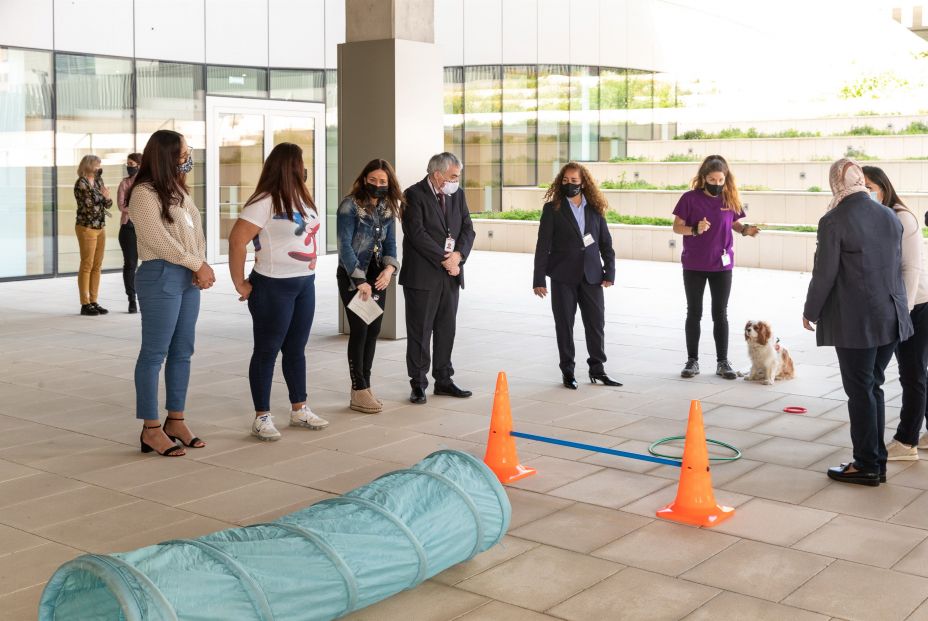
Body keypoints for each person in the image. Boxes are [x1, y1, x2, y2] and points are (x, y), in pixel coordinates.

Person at [803, 158, 913, 486]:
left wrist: (811, 310)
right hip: (890, 316)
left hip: (857, 321)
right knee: (872, 385)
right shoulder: (890, 216)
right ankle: (875, 462)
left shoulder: (834, 220)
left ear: (836, 182)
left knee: (861, 390)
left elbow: (825, 274)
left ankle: (866, 464)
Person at [229, 143, 328, 441]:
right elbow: (237, 240)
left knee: (296, 349)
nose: (304, 169)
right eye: (301, 163)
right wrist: (240, 283)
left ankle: (299, 408)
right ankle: (262, 416)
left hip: (303, 284)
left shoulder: (302, 199)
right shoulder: (264, 201)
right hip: (273, 286)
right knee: (267, 350)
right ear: (289, 166)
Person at [127, 130, 213, 457]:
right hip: (160, 273)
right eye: (184, 152)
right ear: (166, 155)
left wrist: (199, 264)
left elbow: (197, 231)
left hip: (186, 275)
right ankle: (150, 428)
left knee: (183, 350)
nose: (188, 157)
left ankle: (175, 420)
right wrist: (196, 263)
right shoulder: (144, 193)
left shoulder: (177, 190)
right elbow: (158, 239)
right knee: (154, 353)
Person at [532, 162, 621, 389]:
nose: (569, 184)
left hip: (592, 276)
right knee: (565, 325)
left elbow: (605, 243)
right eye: (565, 181)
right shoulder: (552, 209)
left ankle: (597, 370)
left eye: (574, 181)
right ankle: (568, 372)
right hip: (563, 276)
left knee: (596, 324)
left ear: (583, 183)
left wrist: (609, 271)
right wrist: (538, 279)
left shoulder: (595, 208)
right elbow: (542, 246)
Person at [672, 155, 759, 379]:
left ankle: (723, 362)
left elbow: (734, 223)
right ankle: (692, 361)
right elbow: (677, 227)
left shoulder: (730, 199)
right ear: (703, 178)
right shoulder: (689, 199)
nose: (717, 184)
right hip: (694, 264)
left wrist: (745, 230)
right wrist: (695, 229)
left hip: (722, 266)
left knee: (720, 313)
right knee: (694, 312)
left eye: (721, 180)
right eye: (713, 179)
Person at [863, 165, 928, 460]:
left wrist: (904, 311)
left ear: (883, 187)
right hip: (906, 304)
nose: (865, 193)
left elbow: (911, 268)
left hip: (916, 305)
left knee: (912, 373)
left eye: (869, 187)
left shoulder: (902, 217)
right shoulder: (877, 216)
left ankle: (906, 442)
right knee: (918, 373)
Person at [400, 152, 475, 404]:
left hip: (451, 274)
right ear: (437, 175)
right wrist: (446, 258)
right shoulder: (413, 195)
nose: (457, 181)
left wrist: (459, 256)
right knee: (420, 331)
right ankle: (418, 383)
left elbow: (467, 228)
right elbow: (416, 234)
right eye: (453, 176)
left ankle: (443, 379)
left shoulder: (458, 195)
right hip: (423, 276)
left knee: (446, 329)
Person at [336, 159, 402, 414]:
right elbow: (345, 247)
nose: (377, 185)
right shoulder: (350, 206)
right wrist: (360, 281)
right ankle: (358, 389)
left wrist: (389, 269)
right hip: (355, 277)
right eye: (373, 180)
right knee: (360, 330)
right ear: (364, 179)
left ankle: (366, 386)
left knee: (373, 329)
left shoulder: (387, 208)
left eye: (383, 182)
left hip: (378, 276)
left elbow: (391, 244)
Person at [74, 154, 112, 316]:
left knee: (97, 265)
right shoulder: (81, 183)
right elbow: (89, 205)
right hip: (86, 227)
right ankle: (85, 303)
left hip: (100, 226)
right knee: (87, 264)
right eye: (97, 165)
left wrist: (106, 197)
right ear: (89, 166)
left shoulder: (98, 181)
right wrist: (103, 197)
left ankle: (94, 301)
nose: (99, 168)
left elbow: (108, 204)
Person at [117, 153, 142, 313]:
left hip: (146, 229)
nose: (129, 166)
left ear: (139, 165)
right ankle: (131, 299)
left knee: (149, 264)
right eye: (128, 164)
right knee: (131, 264)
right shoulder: (125, 183)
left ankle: (147, 297)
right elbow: (121, 205)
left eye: (132, 163)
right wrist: (137, 209)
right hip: (128, 229)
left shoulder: (148, 183)